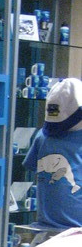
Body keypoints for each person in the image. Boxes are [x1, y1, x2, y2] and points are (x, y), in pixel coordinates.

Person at [23, 77, 82, 232]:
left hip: (56, 228)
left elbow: (31, 166)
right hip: (61, 229)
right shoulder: (42, 136)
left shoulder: (42, 136)